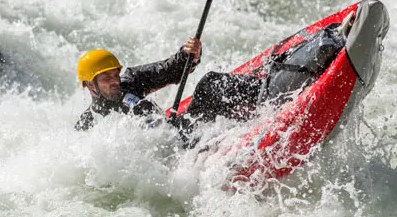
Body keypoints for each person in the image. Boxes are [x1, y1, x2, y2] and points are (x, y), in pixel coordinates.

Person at [74, 38, 263, 140]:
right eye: (106, 77)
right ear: (90, 84)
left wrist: (188, 55)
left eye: (115, 74)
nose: (115, 80)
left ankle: (269, 93)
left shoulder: (130, 82)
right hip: (174, 158)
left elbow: (168, 71)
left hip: (179, 133)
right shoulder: (89, 125)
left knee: (211, 82)